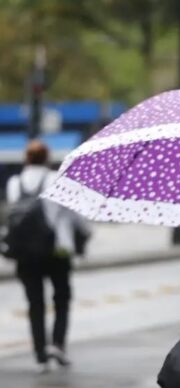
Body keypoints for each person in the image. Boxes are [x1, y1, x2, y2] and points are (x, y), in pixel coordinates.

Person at [5, 140, 87, 372]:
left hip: (25, 253)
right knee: (61, 298)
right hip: (56, 250)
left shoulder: (14, 183)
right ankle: (58, 344)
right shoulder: (56, 180)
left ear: (26, 159)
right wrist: (85, 233)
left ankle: (40, 353)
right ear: (47, 157)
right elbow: (72, 213)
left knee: (34, 303)